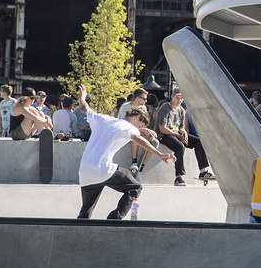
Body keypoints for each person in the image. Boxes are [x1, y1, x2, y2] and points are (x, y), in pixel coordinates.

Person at [76, 85, 172, 220]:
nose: (139, 129)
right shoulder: (128, 126)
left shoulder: (103, 118)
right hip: (103, 169)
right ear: (137, 118)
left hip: (85, 171)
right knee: (136, 188)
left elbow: (83, 107)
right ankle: (115, 219)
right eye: (140, 126)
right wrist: (159, 153)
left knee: (86, 210)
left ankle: (76, 234)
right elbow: (137, 138)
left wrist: (82, 96)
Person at [156, 88, 212, 186]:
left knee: (199, 142)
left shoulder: (181, 110)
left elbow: (181, 127)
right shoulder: (165, 108)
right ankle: (178, 177)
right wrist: (178, 135)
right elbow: (162, 128)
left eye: (181, 98)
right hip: (163, 135)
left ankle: (202, 172)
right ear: (172, 97)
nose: (179, 100)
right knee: (180, 147)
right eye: (177, 98)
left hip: (176, 134)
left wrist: (184, 133)